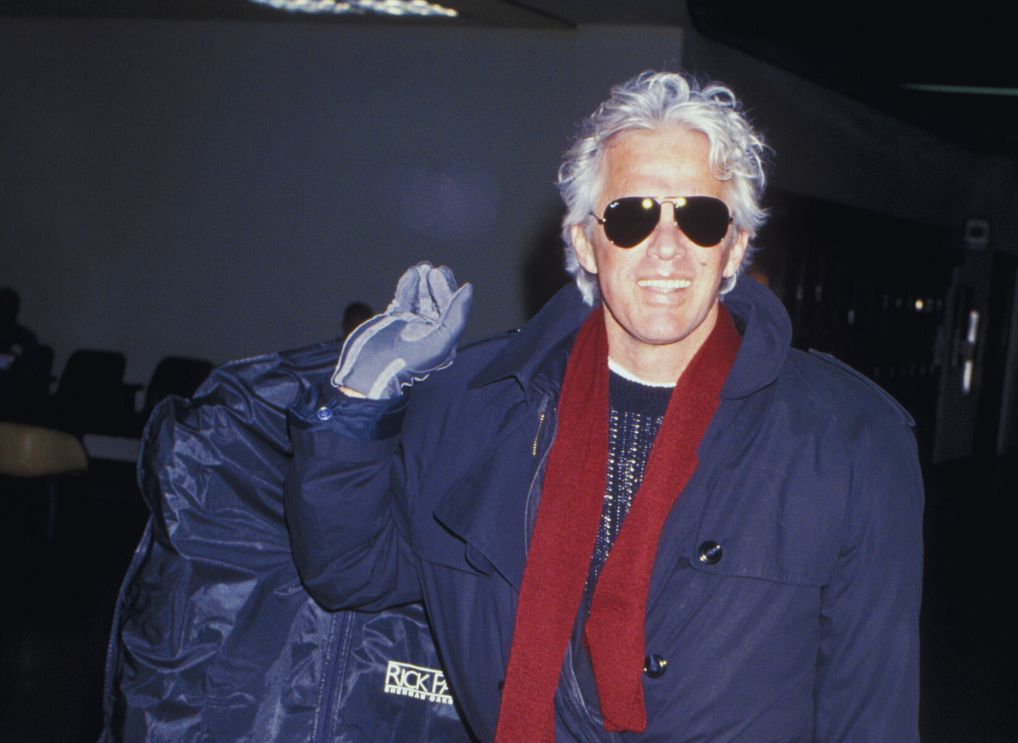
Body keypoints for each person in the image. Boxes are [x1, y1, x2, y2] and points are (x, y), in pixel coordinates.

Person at [286, 71, 924, 742]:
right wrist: (356, 406)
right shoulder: (477, 410)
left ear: (734, 246)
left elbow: (870, 711)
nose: (668, 247)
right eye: (632, 215)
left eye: (700, 218)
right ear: (586, 242)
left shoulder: (849, 440)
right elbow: (351, 571)